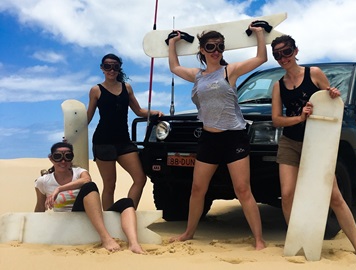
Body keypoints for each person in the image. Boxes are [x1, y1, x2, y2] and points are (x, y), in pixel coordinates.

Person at [167, 23, 268, 250]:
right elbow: (174, 67)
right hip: (208, 139)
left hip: (234, 137)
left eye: (220, 47)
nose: (216, 51)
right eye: (210, 46)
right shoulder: (197, 76)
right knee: (197, 189)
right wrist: (172, 43)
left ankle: (259, 240)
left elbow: (261, 58)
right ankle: (188, 233)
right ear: (202, 50)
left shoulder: (229, 71)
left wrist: (260, 34)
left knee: (243, 190)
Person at [270, 35, 356, 257]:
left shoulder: (313, 73)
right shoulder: (278, 86)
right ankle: (296, 243)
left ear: (296, 51)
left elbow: (332, 103)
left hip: (317, 142)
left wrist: (334, 94)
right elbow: (277, 119)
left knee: (334, 196)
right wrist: (299, 118)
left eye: (286, 52)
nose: (282, 58)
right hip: (289, 142)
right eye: (277, 54)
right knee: (287, 195)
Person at [34, 141, 145, 254]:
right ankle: (106, 238)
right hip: (69, 219)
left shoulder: (79, 172)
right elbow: (39, 207)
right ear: (51, 158)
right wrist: (35, 229)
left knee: (126, 202)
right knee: (89, 187)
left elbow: (86, 180)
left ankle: (134, 244)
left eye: (68, 156)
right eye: (58, 157)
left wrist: (59, 189)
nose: (63, 161)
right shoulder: (43, 182)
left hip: (90, 214)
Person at [87, 53, 163, 210]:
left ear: (119, 68)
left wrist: (155, 112)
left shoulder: (126, 88)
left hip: (124, 142)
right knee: (109, 186)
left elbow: (139, 111)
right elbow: (87, 119)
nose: (111, 70)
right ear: (102, 68)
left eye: (115, 66)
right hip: (103, 142)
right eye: (108, 66)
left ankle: (128, 214)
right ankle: (110, 222)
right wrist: (70, 136)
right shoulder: (96, 90)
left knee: (140, 178)